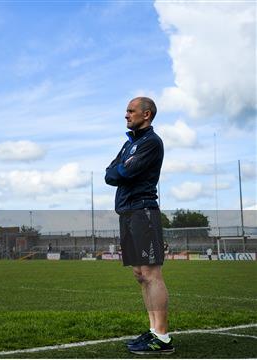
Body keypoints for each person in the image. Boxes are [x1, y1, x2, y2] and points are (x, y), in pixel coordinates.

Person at [105, 97, 173, 354]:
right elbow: (110, 172)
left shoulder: (151, 143)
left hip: (143, 210)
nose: (126, 115)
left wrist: (118, 171)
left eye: (131, 111)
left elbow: (122, 173)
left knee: (152, 274)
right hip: (128, 211)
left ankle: (163, 336)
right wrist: (118, 170)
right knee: (140, 275)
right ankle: (153, 329)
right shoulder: (129, 143)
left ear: (146, 114)